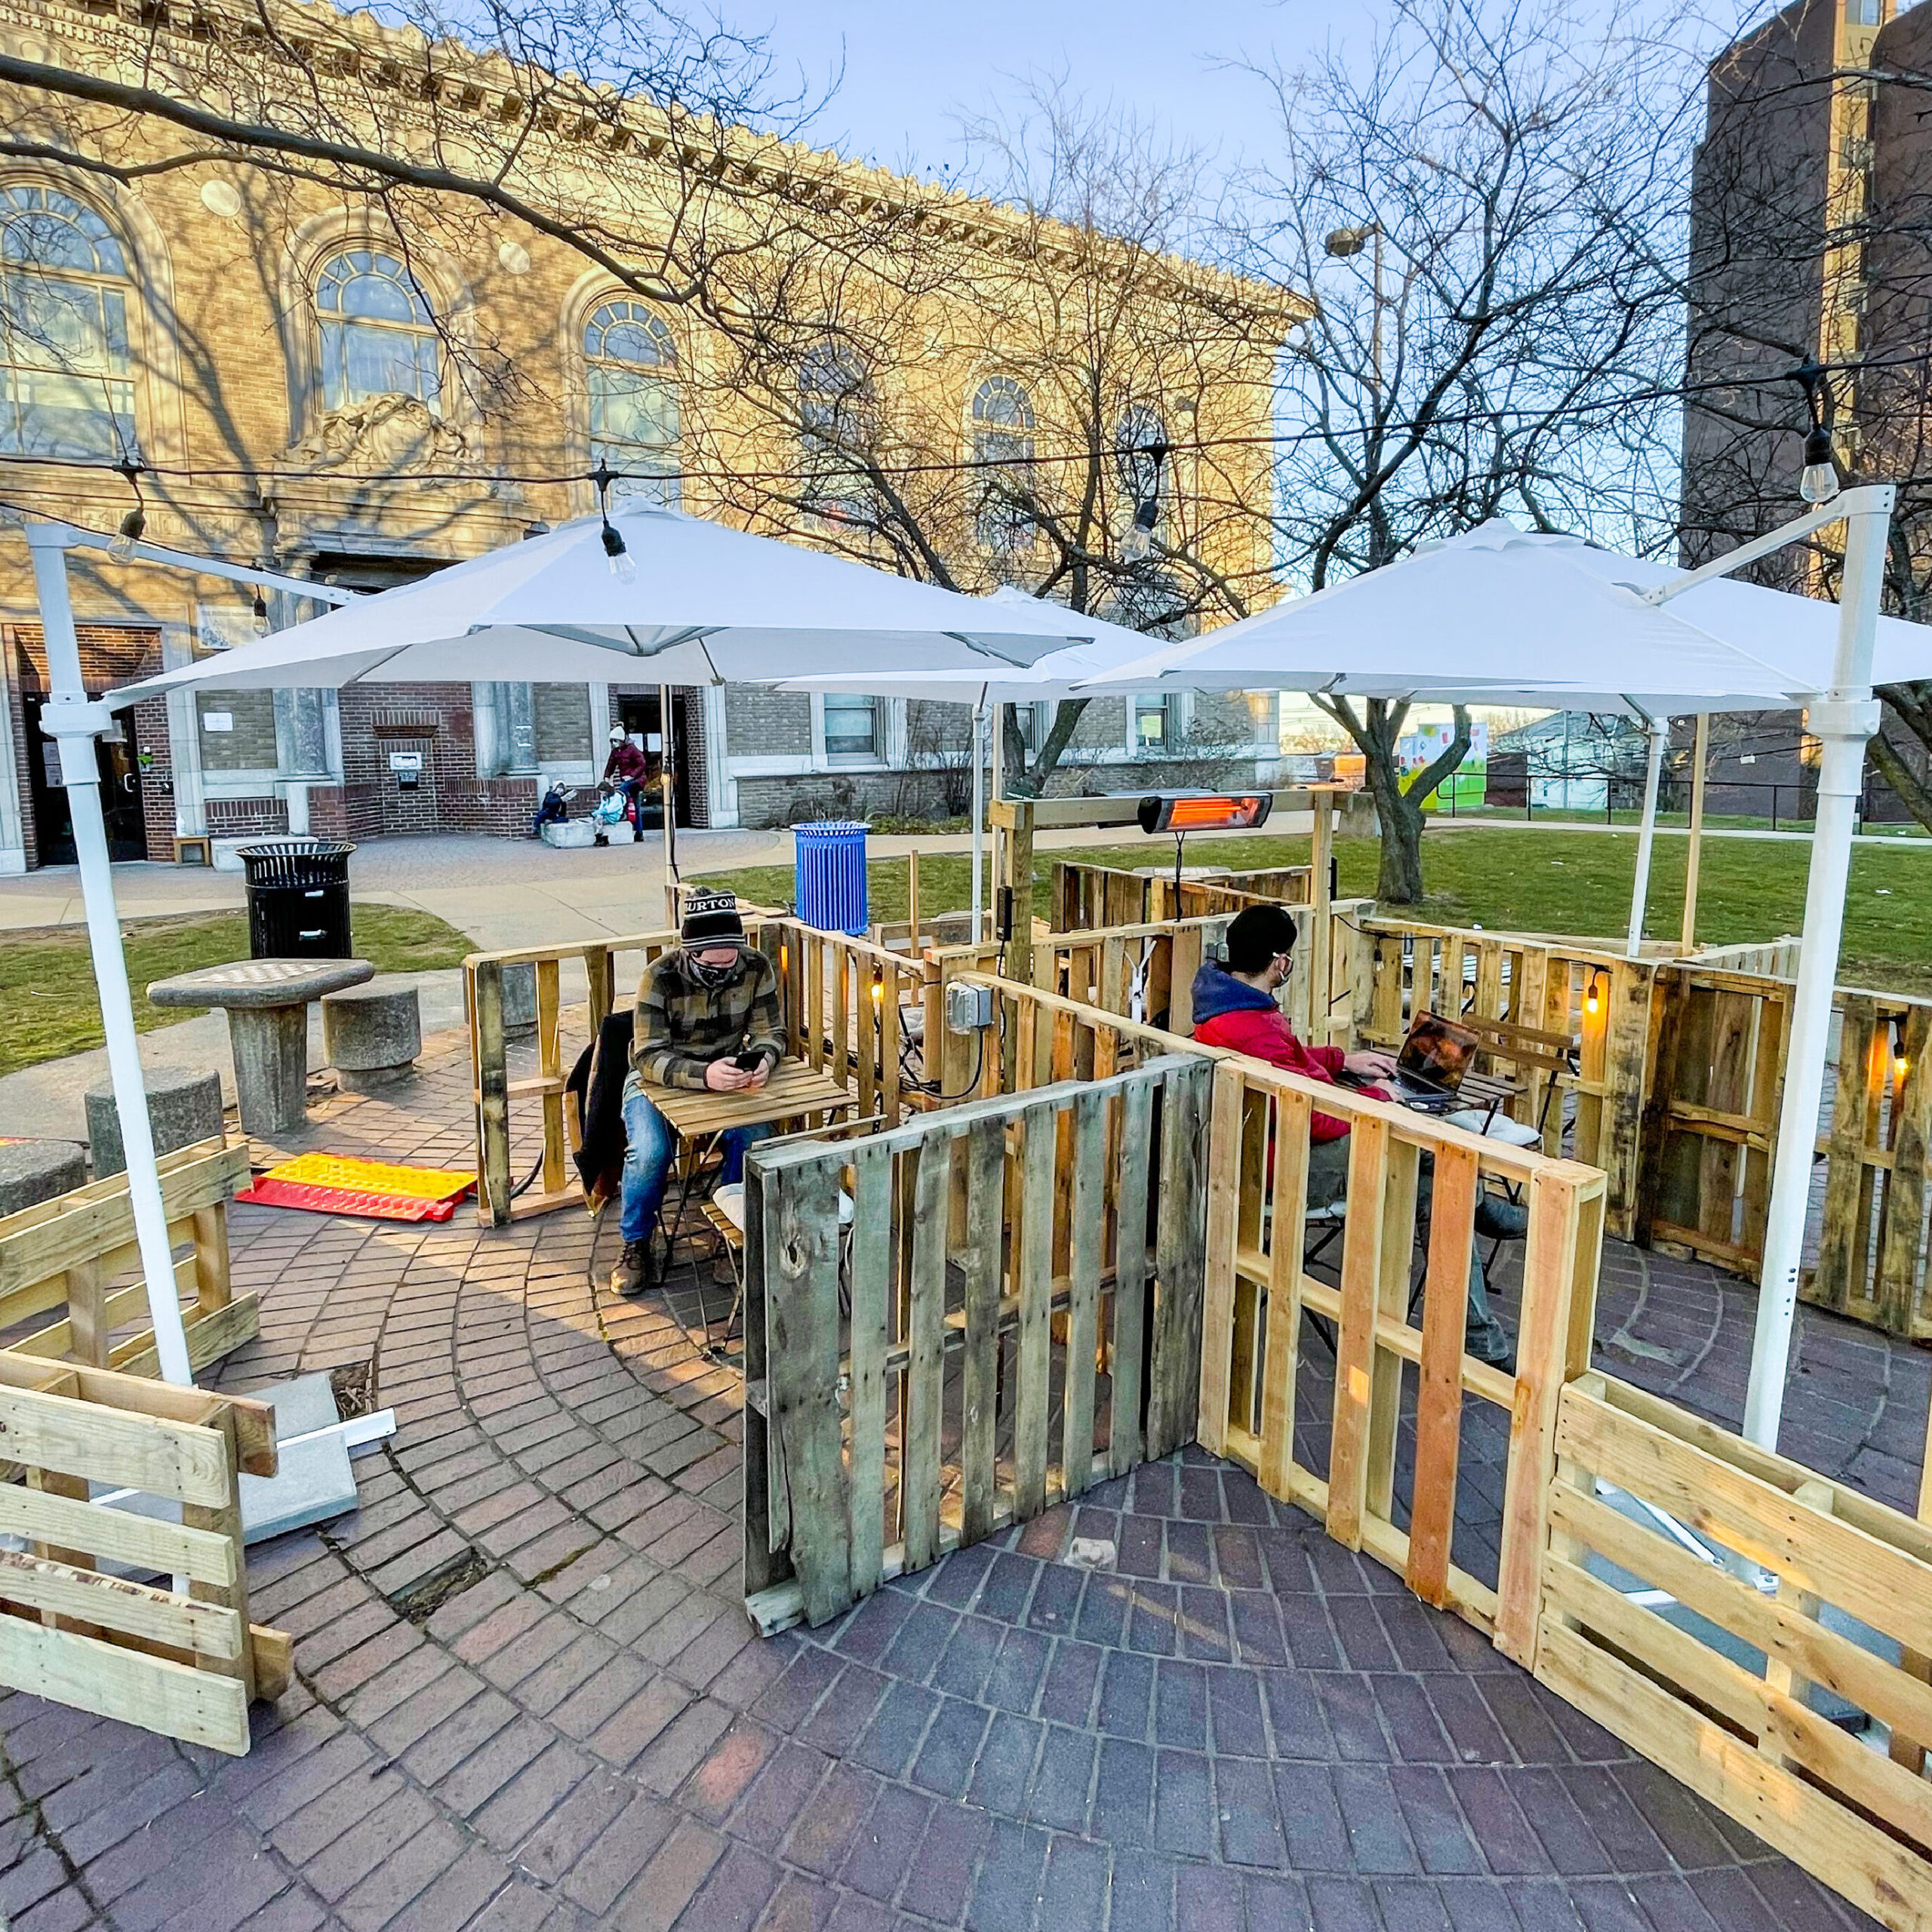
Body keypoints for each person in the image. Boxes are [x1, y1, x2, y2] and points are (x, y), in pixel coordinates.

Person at [1190, 902, 1519, 1367]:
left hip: (1262, 1147)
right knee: (1437, 1168)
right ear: (1279, 962)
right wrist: (1381, 1098)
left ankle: (1479, 1306)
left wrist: (1344, 1062)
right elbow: (1313, 1119)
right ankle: (1479, 1284)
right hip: (1287, 1165)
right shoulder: (1254, 1026)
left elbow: (1289, 1063)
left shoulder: (1226, 1006)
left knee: (1436, 1173)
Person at [612, 889, 783, 1297]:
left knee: (756, 1139)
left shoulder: (757, 966)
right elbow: (648, 1056)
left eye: (732, 958)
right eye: (712, 962)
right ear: (690, 951)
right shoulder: (659, 975)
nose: (724, 967)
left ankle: (732, 1232)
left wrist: (763, 1060)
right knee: (650, 1152)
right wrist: (704, 1075)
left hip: (730, 1073)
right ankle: (635, 1242)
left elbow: (771, 1032)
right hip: (659, 1079)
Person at [603, 727, 649, 824]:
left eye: (615, 741)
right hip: (627, 780)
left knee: (622, 790)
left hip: (637, 780)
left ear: (621, 740)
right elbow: (611, 764)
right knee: (636, 806)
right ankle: (639, 832)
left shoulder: (632, 749)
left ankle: (624, 811)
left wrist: (632, 776)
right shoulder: (616, 751)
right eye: (612, 741)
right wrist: (607, 776)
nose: (614, 744)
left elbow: (642, 764)